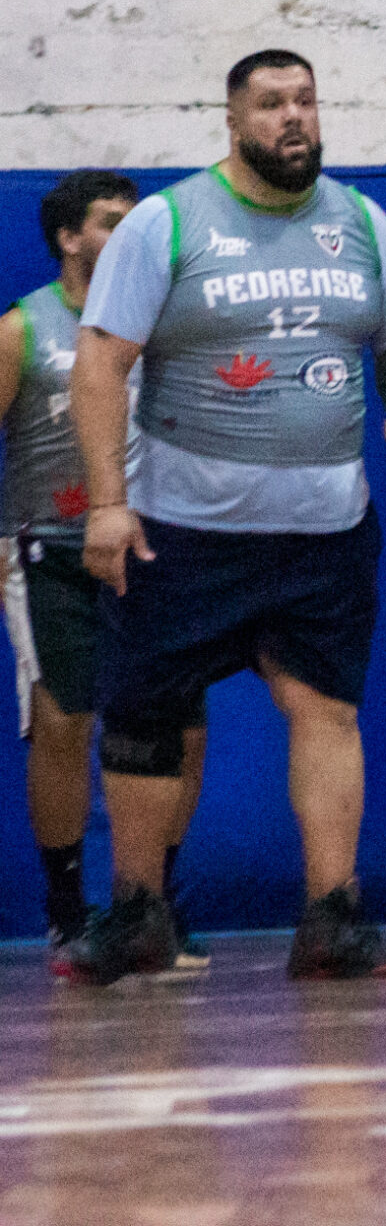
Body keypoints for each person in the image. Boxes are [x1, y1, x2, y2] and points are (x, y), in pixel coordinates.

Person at [66, 51, 386, 983]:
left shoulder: (363, 223)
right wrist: (108, 504)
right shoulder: (167, 222)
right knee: (145, 716)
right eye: (271, 104)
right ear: (233, 121)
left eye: (305, 100)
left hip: (325, 531)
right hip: (183, 531)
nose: (293, 117)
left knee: (326, 710)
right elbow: (101, 363)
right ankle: (138, 914)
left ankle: (332, 919)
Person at [1, 171, 209, 969]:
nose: (127, 232)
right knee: (65, 722)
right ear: (68, 237)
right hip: (49, 546)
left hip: (154, 547)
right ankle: (66, 910)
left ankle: (152, 904)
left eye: (134, 219)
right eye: (109, 221)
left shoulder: (163, 318)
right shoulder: (23, 328)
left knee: (182, 728)